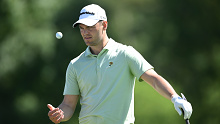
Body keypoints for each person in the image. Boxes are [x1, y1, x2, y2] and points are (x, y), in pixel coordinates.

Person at [47, 4, 192, 124]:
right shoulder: (75, 64)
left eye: (90, 27)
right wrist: (60, 114)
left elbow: (153, 79)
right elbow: (68, 105)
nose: (85, 32)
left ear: (104, 25)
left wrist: (174, 97)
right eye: (82, 28)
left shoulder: (125, 54)